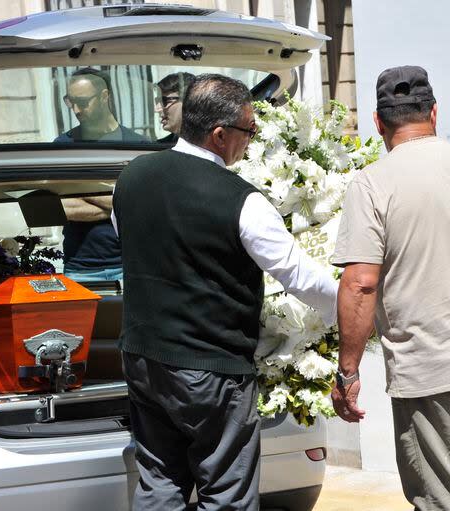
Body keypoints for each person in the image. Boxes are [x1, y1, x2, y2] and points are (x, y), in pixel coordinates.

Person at [112, 73, 338, 510]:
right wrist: (348, 304)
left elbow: (132, 243)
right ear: (219, 135)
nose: (251, 141)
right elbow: (298, 275)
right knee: (227, 493)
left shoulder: (130, 178)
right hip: (209, 372)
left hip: (143, 359)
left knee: (159, 483)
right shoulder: (242, 200)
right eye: (248, 131)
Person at [330, 66, 450, 511]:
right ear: (434, 113)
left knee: (444, 498)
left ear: (379, 122)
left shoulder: (371, 184)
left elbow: (361, 282)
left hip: (432, 366)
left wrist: (348, 372)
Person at [57, 68, 146, 281]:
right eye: (70, 101)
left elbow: (144, 206)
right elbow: (60, 207)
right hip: (80, 266)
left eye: (83, 101)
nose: (76, 109)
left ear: (105, 96)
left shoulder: (137, 146)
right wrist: (120, 205)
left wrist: (78, 187)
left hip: (130, 265)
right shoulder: (61, 147)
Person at [155, 72, 195, 143]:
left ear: (188, 102)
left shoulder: (214, 146)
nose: (157, 109)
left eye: (164, 101)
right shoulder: (160, 145)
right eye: (157, 101)